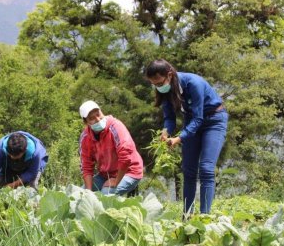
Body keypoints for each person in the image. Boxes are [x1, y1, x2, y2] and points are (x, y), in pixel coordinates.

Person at [145, 59, 228, 215]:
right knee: (188, 170)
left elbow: (199, 118)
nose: (157, 87)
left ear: (169, 75)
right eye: (153, 84)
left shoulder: (193, 83)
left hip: (214, 120)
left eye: (159, 83)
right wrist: (165, 132)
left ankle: (205, 216)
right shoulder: (166, 90)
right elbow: (169, 117)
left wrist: (178, 139)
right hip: (192, 122)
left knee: (206, 169)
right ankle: (187, 216)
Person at [79, 100, 143, 196]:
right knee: (81, 194)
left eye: (98, 114)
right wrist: (88, 192)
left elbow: (125, 158)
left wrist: (116, 181)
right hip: (105, 174)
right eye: (92, 118)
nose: (97, 119)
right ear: (86, 122)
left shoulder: (115, 127)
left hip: (129, 172)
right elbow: (86, 165)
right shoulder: (85, 137)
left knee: (106, 193)